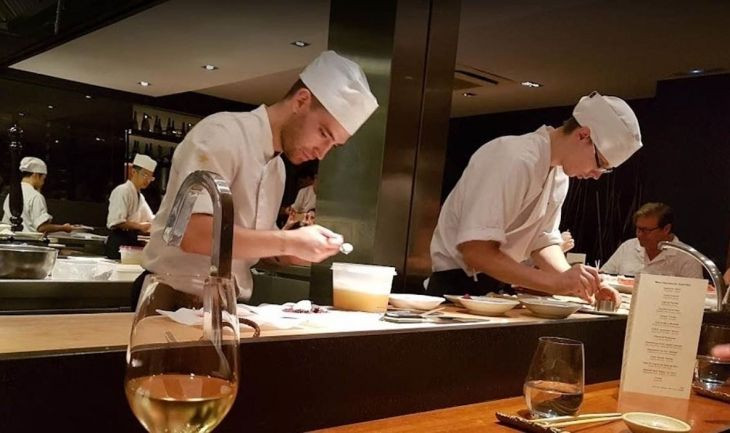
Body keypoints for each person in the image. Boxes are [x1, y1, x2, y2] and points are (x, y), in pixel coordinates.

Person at [139, 50, 378, 302]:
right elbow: (192, 234)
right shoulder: (222, 133)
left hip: (227, 305)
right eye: (323, 134)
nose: (322, 153)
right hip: (170, 299)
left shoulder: (277, 169)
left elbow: (253, 247)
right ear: (301, 101)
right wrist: (288, 241)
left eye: (333, 145)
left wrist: (294, 253)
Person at [427, 91, 643, 301]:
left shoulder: (559, 176)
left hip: (493, 290)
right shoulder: (514, 157)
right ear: (583, 135)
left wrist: (577, 281)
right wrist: (554, 283)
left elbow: (542, 241)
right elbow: (476, 250)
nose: (597, 175)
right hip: (453, 288)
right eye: (600, 164)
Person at [600, 202, 702, 278]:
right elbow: (604, 277)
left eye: (646, 230)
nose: (639, 235)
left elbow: (694, 296)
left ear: (666, 229)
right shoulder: (628, 247)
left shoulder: (688, 258)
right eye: (638, 229)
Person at [1, 156, 78, 233]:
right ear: (36, 175)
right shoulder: (35, 196)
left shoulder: (11, 194)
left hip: (11, 241)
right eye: (43, 178)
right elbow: (41, 227)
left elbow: (5, 223)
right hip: (29, 242)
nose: (43, 183)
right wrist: (64, 227)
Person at [105, 154, 157, 259]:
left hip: (131, 241)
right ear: (134, 172)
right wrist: (140, 226)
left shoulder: (140, 196)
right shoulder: (122, 190)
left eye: (150, 177)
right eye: (145, 175)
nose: (147, 180)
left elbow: (151, 219)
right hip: (118, 241)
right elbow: (116, 222)